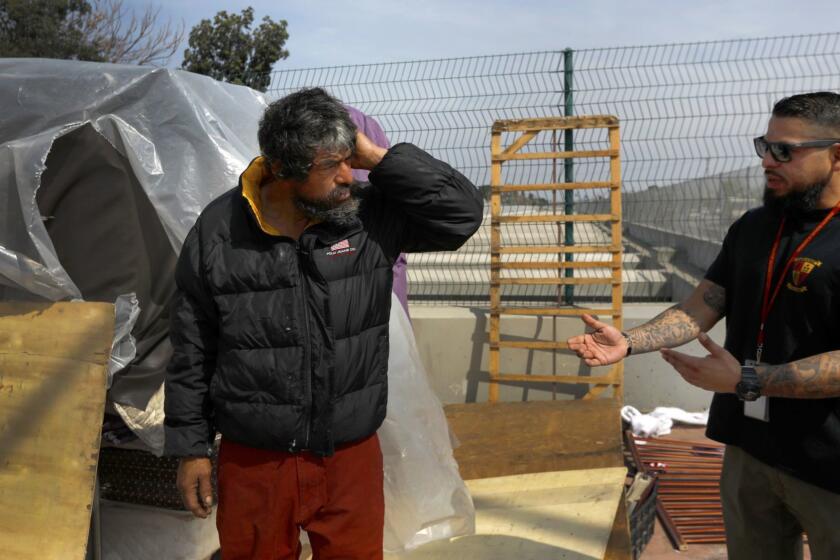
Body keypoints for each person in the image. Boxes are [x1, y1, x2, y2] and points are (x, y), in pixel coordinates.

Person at [164, 87, 483, 559]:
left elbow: (462, 214)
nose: (345, 176)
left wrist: (377, 156)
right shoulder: (219, 230)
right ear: (284, 171)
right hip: (254, 461)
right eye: (330, 165)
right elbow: (193, 343)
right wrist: (190, 448)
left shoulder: (368, 217)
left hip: (348, 456)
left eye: (347, 158)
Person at [568, 91, 840, 560]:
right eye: (764, 145)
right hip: (750, 450)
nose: (765, 161)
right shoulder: (756, 226)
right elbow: (703, 305)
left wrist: (750, 380)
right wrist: (628, 342)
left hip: (831, 462)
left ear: (836, 155)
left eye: (784, 150)